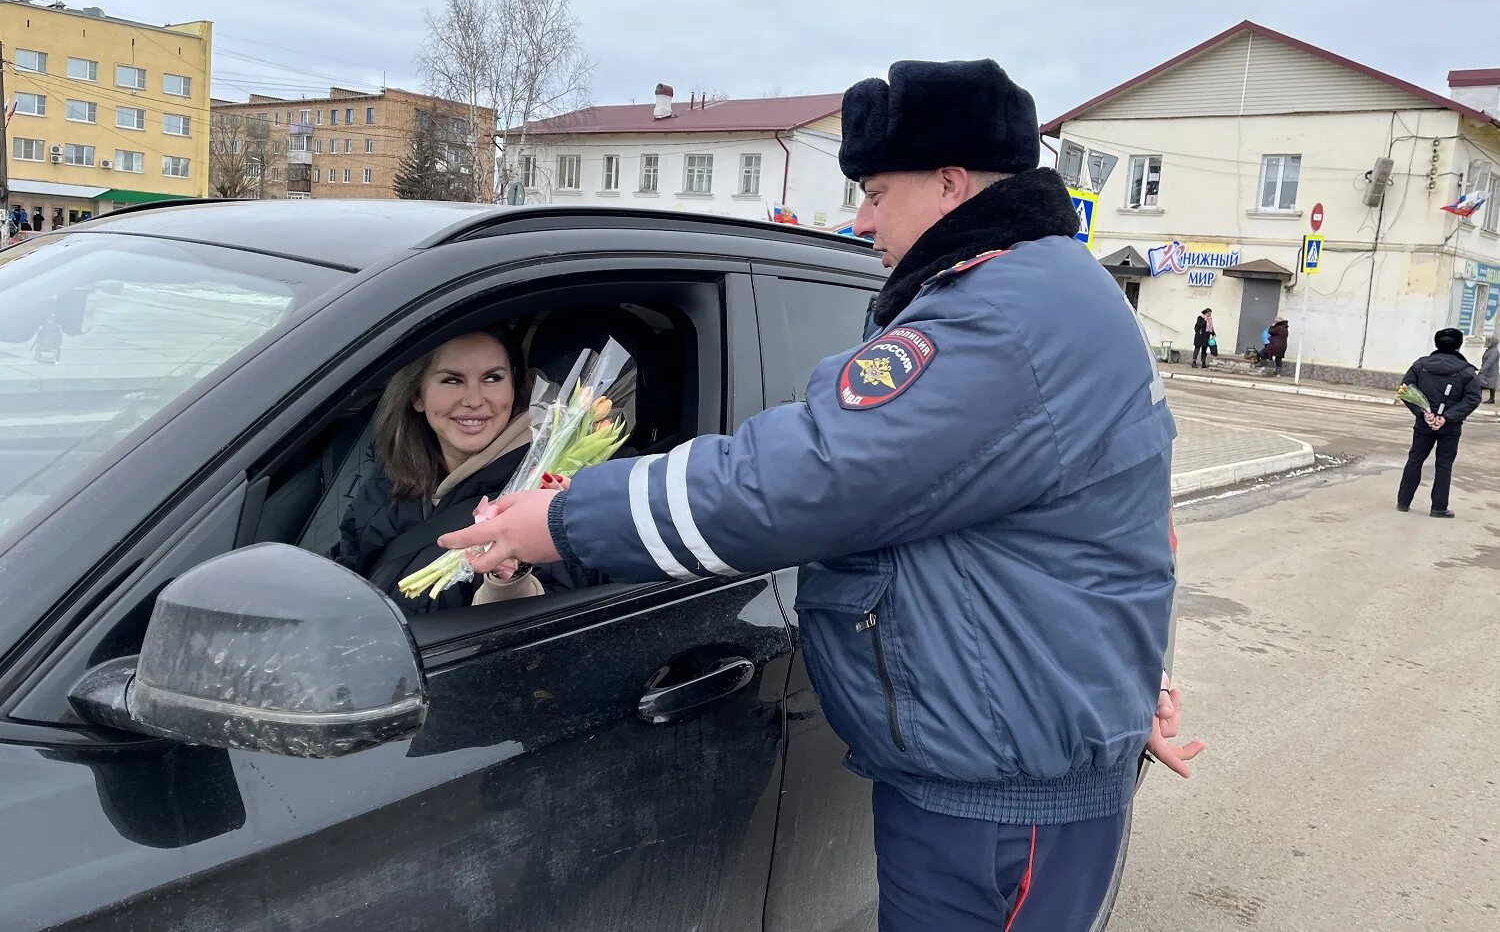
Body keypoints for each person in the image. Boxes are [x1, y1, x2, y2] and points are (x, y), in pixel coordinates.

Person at [440, 59, 1201, 931]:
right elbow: (1115, 530)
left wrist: (563, 518)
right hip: (1009, 763)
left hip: (994, 804)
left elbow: (792, 481)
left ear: (950, 183)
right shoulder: (1056, 293)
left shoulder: (1000, 318)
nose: (861, 218)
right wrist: (1121, 676)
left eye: (876, 192)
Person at [332, 328, 576, 613]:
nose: (474, 400)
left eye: (492, 378)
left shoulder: (541, 491)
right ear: (417, 396)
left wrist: (506, 579)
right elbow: (345, 566)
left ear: (514, 389)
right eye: (452, 380)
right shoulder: (393, 476)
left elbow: (539, 620)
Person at [1397, 328, 1483, 518]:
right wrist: (1447, 417)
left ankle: (1403, 502)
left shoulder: (1420, 366)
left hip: (1423, 424)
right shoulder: (1467, 371)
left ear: (1436, 344)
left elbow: (1405, 389)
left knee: (1415, 460)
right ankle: (1438, 508)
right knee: (1444, 465)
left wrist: (1423, 413)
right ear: (1459, 345)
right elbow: (1473, 397)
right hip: (1450, 427)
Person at [1479, 334, 1498, 405]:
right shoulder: (1490, 350)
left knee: (1482, 383)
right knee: (1485, 384)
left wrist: (1482, 370)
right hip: (1487, 370)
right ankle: (1489, 398)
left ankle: (1491, 399)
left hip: (1490, 371)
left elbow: (1490, 361)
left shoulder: (1494, 351)